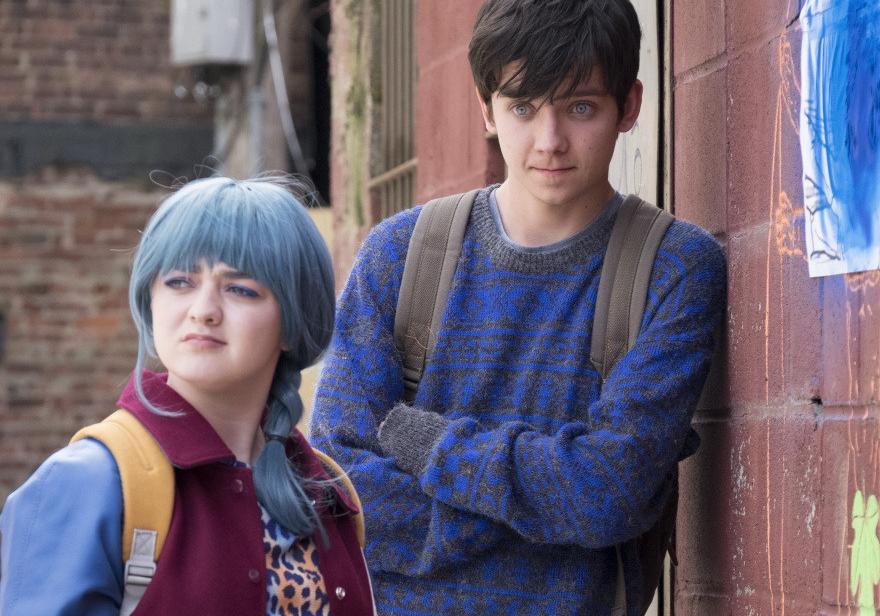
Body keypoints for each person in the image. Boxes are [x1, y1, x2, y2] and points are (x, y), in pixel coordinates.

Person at [311, 0, 726, 614]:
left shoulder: (672, 268)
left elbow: (608, 491)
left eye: (580, 107)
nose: (549, 141)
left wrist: (424, 441)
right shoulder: (401, 255)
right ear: (487, 108)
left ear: (629, 105)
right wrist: (543, 513)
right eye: (523, 108)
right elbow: (336, 489)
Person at [0, 176, 375, 615]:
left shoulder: (328, 490)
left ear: (293, 324)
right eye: (179, 282)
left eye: (240, 289)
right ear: (150, 301)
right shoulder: (88, 481)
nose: (203, 310)